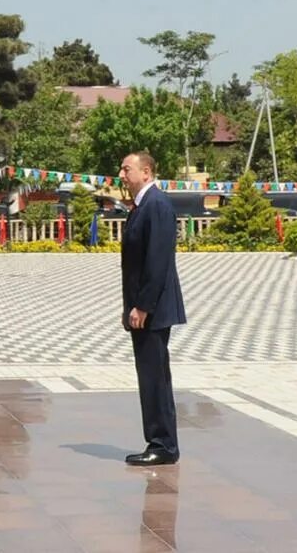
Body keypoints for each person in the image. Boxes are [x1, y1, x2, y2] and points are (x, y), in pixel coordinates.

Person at [118, 151, 185, 465]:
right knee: (151, 376)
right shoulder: (142, 205)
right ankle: (160, 441)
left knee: (154, 376)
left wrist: (142, 306)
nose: (121, 174)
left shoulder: (156, 205)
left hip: (153, 310)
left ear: (146, 172)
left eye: (126, 169)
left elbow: (157, 262)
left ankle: (163, 445)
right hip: (144, 308)